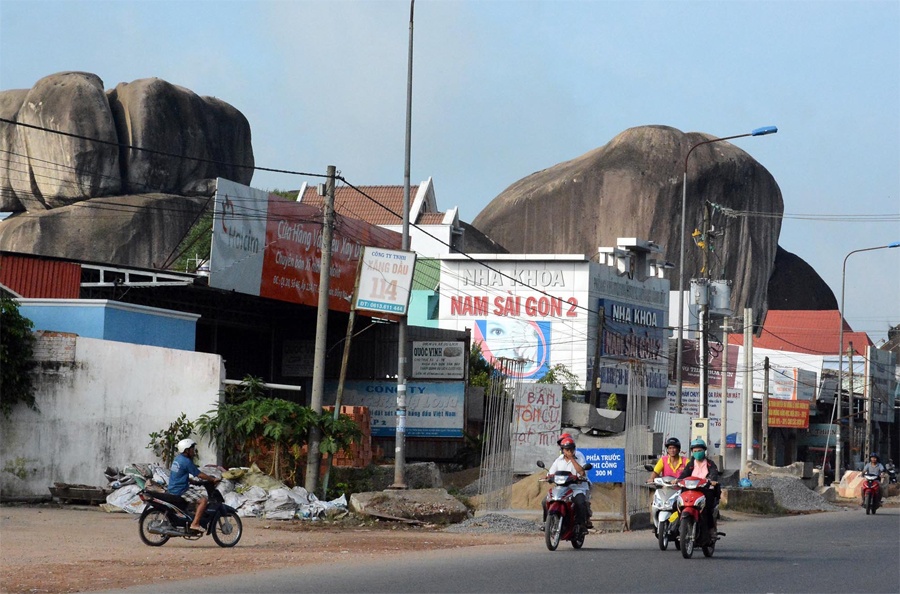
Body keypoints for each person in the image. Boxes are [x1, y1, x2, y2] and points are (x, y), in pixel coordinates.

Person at [168, 439, 219, 534]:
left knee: (196, 497)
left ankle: (194, 517)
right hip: (181, 490)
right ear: (186, 450)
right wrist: (212, 479)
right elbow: (199, 474)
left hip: (173, 487)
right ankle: (195, 523)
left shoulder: (177, 459)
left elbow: (179, 474)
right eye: (192, 449)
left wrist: (192, 481)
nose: (193, 451)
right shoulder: (186, 461)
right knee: (203, 500)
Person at [542, 434, 590, 534]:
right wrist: (548, 478)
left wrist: (572, 459)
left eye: (571, 449)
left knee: (580, 502)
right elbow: (551, 473)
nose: (569, 451)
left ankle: (581, 525)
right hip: (561, 487)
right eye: (567, 449)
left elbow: (582, 473)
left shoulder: (579, 457)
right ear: (563, 450)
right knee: (545, 501)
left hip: (577, 488)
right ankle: (546, 523)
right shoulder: (559, 460)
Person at [677, 438, 720, 536]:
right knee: (677, 505)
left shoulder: (710, 464)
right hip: (690, 490)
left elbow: (714, 474)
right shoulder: (691, 464)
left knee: (707, 509)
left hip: (705, 490)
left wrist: (712, 481)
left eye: (699, 450)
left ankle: (710, 529)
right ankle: (680, 526)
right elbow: (684, 474)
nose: (697, 453)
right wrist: (678, 480)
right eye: (695, 451)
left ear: (704, 451)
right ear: (692, 452)